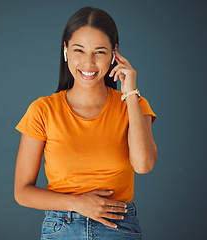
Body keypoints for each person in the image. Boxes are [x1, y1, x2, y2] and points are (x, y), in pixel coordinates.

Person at [14, 6, 158, 240]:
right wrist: (78, 203)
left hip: (118, 228)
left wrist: (130, 92)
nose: (88, 63)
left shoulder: (133, 106)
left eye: (99, 52)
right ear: (66, 51)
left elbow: (143, 165)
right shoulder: (43, 110)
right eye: (79, 50)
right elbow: (22, 193)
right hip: (61, 226)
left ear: (114, 53)